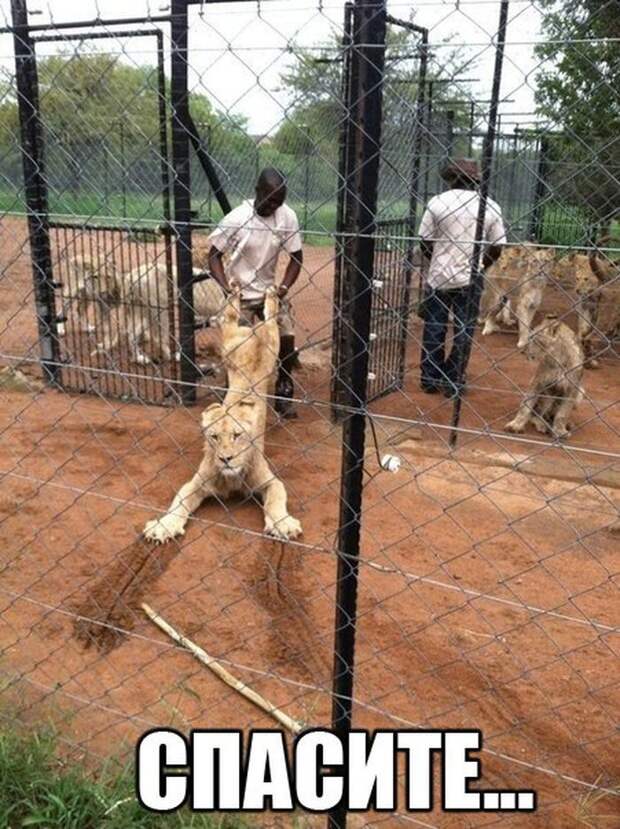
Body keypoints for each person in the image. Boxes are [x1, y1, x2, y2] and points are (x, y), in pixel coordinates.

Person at [207, 168, 303, 418]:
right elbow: (214, 256)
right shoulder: (237, 218)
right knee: (238, 346)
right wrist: (226, 287)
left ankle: (283, 388)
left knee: (287, 338)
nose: (273, 206)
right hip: (240, 293)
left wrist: (283, 288)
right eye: (269, 199)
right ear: (257, 191)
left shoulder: (287, 217)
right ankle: (232, 389)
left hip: (270, 292)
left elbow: (297, 257)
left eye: (278, 201)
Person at [418, 158, 506, 397]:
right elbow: (497, 247)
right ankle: (453, 378)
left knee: (435, 325)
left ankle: (429, 377)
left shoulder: (437, 203)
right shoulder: (490, 206)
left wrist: (437, 259)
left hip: (439, 275)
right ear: (474, 181)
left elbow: (424, 241)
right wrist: (480, 265)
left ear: (452, 179)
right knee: (464, 328)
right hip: (471, 274)